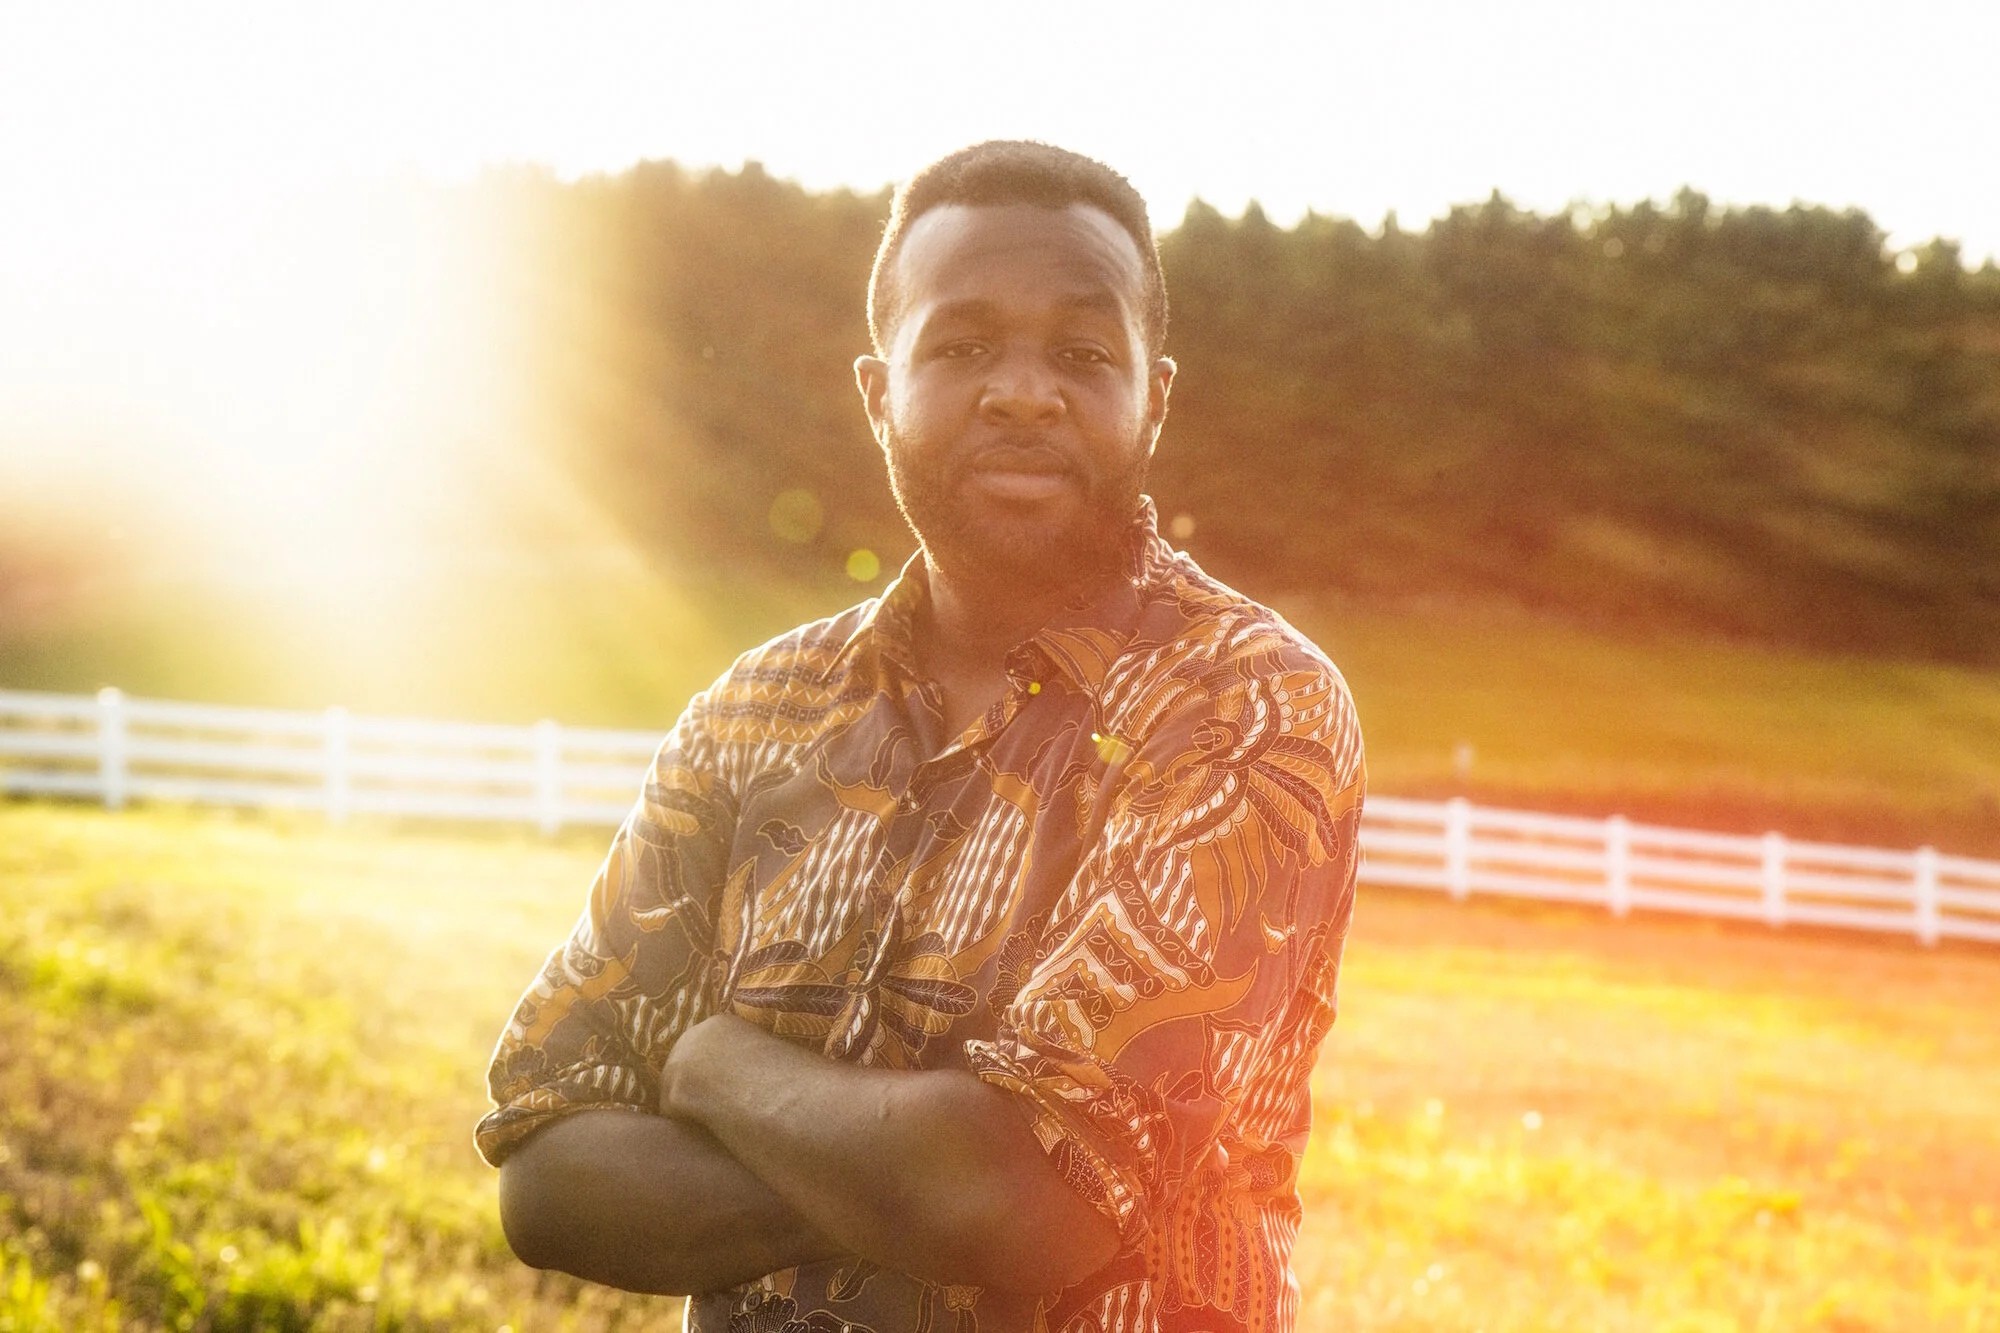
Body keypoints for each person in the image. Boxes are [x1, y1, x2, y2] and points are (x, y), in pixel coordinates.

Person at [477, 140, 1366, 1333]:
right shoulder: (755, 713)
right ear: (876, 389)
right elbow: (546, 1171)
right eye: (959, 345)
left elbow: (1019, 1201)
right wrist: (919, 1177)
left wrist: (714, 1069)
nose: (1021, 391)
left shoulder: (1246, 707)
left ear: (1154, 394)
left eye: (1082, 352)